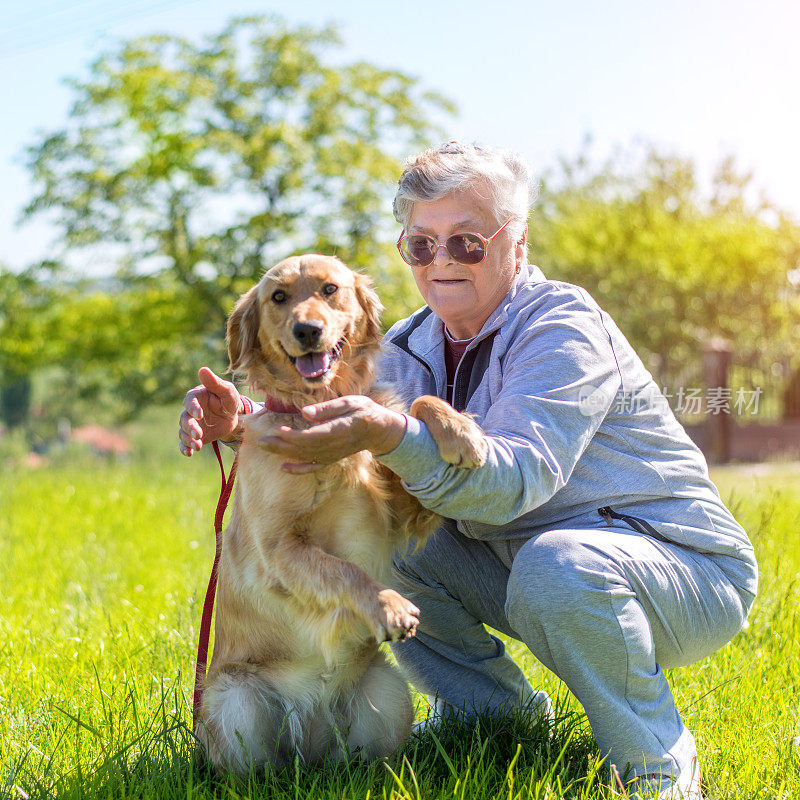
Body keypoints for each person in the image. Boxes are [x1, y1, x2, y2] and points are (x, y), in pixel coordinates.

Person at [178, 142, 757, 799]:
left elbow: (511, 484)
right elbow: (346, 412)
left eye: (467, 243)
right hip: (523, 560)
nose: (442, 263)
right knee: (392, 540)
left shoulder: (563, 327)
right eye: (421, 245)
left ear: (518, 240)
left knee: (556, 567)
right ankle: (493, 717)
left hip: (681, 569)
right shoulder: (408, 342)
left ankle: (653, 765)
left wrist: (394, 431)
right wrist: (246, 415)